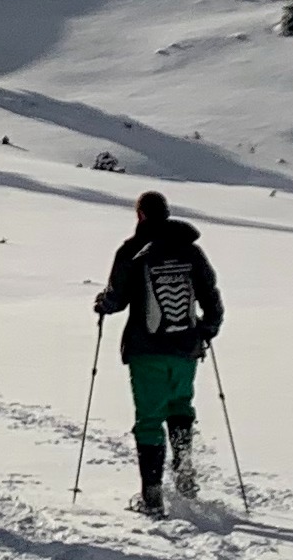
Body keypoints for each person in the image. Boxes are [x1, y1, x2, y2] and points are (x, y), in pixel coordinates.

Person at [93, 189, 223, 517]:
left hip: (146, 349)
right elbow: (211, 294)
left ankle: (152, 496)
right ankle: (185, 477)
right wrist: (207, 328)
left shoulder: (132, 251)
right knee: (181, 407)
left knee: (149, 419)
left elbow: (118, 298)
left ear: (140, 216)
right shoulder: (191, 251)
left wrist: (102, 303)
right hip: (185, 347)